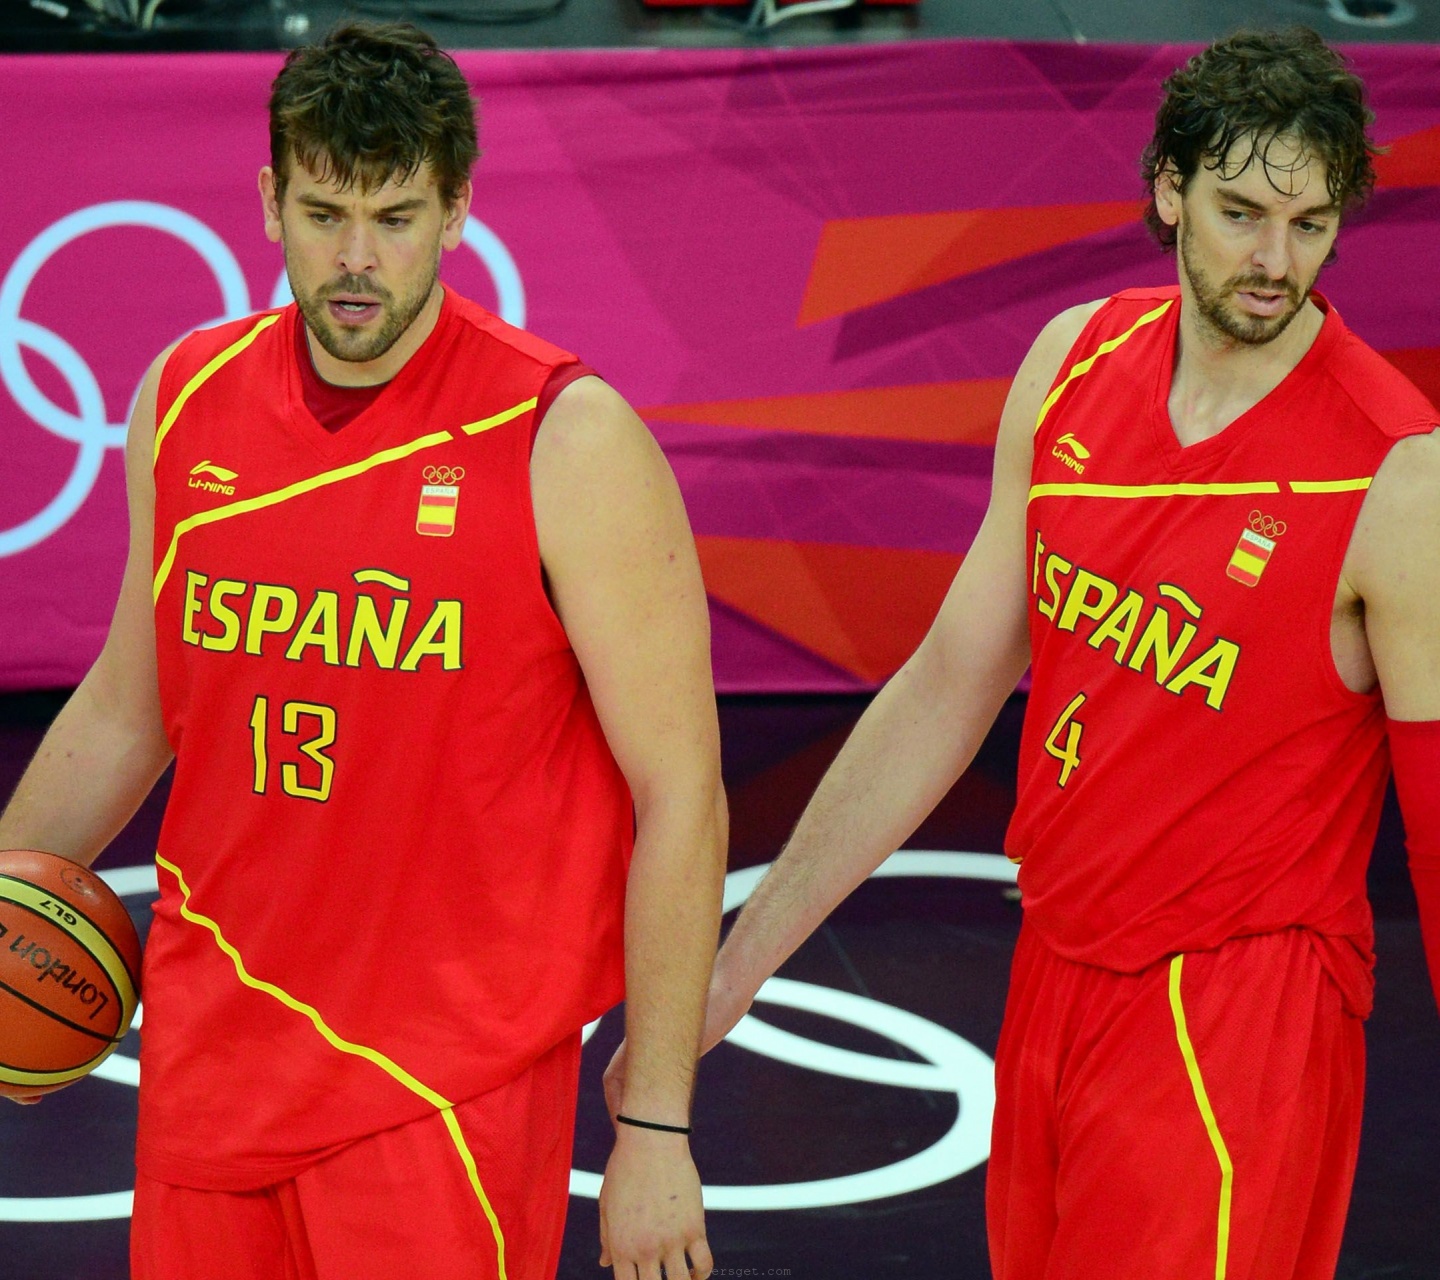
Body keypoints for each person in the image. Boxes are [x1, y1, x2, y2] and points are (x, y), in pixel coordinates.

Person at [654, 27, 1440, 1280]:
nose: (1275, 260)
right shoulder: (1073, 363)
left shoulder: (1398, 477)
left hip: (1234, 1013)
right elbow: (947, 686)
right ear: (1170, 187)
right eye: (1240, 213)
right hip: (1056, 968)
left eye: (1309, 222)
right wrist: (741, 962)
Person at [0, 21, 725, 1280]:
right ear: (269, 196)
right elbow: (129, 707)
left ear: (456, 211)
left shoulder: (567, 436)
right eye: (323, 210)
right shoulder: (182, 394)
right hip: (209, 1039)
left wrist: (656, 1117)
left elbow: (682, 793)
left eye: (394, 217)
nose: (353, 260)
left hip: (439, 1081)